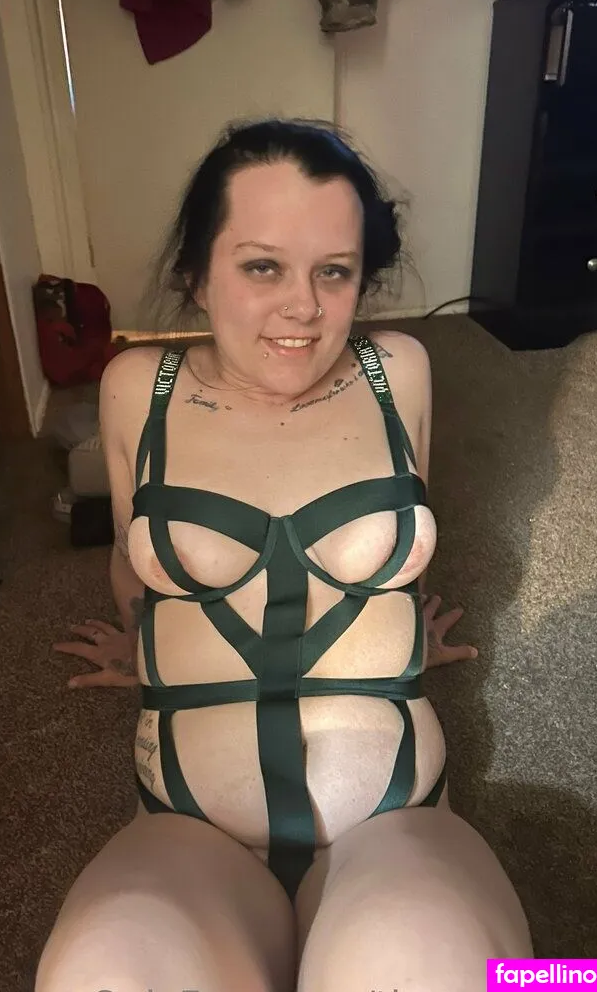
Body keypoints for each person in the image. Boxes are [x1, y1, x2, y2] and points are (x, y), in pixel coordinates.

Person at [39, 118, 532, 991]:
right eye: (262, 266)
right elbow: (129, 552)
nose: (304, 306)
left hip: (391, 818)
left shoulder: (400, 372)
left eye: (333, 271)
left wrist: (397, 629)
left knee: (438, 971)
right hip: (191, 825)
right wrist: (148, 643)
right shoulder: (134, 391)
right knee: (100, 975)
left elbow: (409, 525)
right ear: (197, 275)